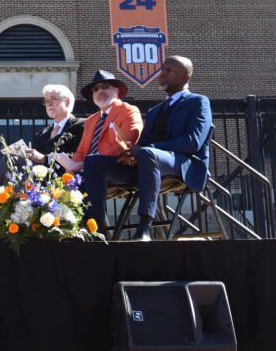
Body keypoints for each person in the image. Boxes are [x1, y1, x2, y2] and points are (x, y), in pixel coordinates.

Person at [129, 55, 214, 240]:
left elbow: (192, 142)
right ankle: (96, 231)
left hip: (185, 163)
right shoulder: (154, 111)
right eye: (162, 70)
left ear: (186, 77)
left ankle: (144, 228)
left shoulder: (198, 102)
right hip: (151, 160)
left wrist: (149, 148)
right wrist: (129, 152)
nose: (162, 74)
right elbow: (143, 144)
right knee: (96, 162)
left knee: (148, 153)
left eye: (169, 70)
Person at [58, 70, 142, 236]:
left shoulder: (129, 110)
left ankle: (97, 232)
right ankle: (66, 232)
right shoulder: (91, 120)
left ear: (116, 91)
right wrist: (72, 166)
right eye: (96, 89)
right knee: (62, 178)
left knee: (93, 163)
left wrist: (84, 163)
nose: (100, 91)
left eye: (105, 87)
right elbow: (82, 151)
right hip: (93, 169)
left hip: (123, 167)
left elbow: (127, 142)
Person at [0, 83, 85, 184]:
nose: (49, 104)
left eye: (53, 99)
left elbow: (77, 157)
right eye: (46, 101)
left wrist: (45, 159)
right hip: (37, 182)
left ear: (67, 101)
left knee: (13, 159)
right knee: (10, 159)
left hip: (64, 181)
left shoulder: (82, 126)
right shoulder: (41, 134)